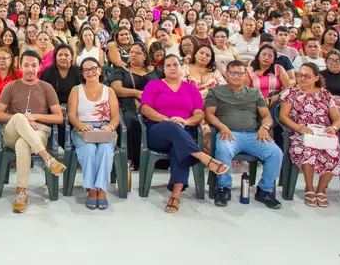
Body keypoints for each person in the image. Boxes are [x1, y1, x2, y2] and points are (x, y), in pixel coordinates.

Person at [139, 54, 229, 213]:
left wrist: (185, 122)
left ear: (182, 68)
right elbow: (146, 109)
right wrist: (167, 120)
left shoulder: (191, 88)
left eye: (175, 65)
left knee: (179, 144)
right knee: (174, 129)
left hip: (185, 130)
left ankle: (176, 194)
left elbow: (198, 114)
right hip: (158, 130)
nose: (172, 68)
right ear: (163, 69)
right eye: (168, 65)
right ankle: (202, 156)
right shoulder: (154, 85)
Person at [0, 50, 66, 213]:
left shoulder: (47, 88)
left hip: (39, 131)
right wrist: (23, 119)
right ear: (20, 66)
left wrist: (35, 117)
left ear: (39, 67)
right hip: (12, 130)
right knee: (19, 117)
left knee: (22, 144)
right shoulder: (11, 87)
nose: (30, 69)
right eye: (26, 65)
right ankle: (47, 159)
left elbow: (59, 117)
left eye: (33, 65)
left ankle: (21, 192)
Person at [205, 60, 283, 209]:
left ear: (245, 75)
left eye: (240, 73)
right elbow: (209, 115)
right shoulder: (216, 91)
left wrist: (264, 127)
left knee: (275, 153)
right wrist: (222, 127)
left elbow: (266, 116)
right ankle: (224, 188)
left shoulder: (254, 92)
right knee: (223, 150)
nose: (236, 76)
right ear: (226, 74)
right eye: (233, 72)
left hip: (253, 135)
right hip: (229, 134)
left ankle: (264, 190)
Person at [278, 63, 340, 208]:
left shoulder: (324, 94)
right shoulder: (291, 92)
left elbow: (338, 119)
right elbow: (283, 117)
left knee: (335, 154)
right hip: (300, 133)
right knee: (308, 151)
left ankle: (321, 190)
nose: (302, 78)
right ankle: (309, 188)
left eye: (307, 76)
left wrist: (333, 128)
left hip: (322, 133)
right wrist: (299, 128)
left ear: (316, 78)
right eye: (300, 75)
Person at [68, 57, 120, 209]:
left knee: (104, 149)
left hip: (104, 128)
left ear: (99, 70)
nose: (90, 72)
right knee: (89, 149)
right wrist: (81, 125)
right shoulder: (76, 90)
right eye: (85, 70)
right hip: (82, 129)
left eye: (93, 68)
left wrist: (110, 126)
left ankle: (101, 189)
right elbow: (71, 116)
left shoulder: (108, 91)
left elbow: (116, 116)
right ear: (82, 74)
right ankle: (91, 189)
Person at [107, 41, 160, 169]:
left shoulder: (156, 71)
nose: (134, 55)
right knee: (131, 121)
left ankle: (158, 160)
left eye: (138, 53)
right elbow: (115, 89)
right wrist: (137, 93)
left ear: (145, 56)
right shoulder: (121, 70)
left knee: (160, 122)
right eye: (131, 52)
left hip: (154, 106)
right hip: (128, 105)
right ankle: (133, 160)